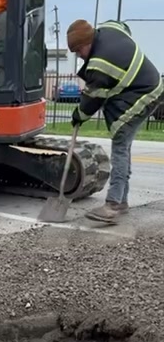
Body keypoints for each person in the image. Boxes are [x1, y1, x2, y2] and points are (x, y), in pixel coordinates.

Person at [67, 19, 164, 224]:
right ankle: (122, 200)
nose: (79, 55)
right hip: (151, 84)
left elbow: (92, 101)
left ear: (87, 42)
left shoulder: (99, 65)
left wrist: (78, 116)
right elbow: (123, 26)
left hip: (142, 94)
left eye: (78, 50)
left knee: (120, 143)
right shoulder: (110, 28)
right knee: (124, 145)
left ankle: (113, 204)